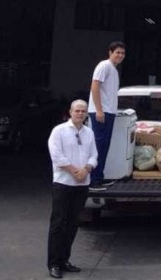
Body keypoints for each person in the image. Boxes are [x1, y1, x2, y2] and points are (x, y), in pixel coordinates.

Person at [46, 100, 98, 279]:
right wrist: (75, 171)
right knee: (58, 224)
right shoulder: (59, 131)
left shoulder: (89, 132)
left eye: (83, 111)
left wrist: (87, 169)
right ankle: (54, 263)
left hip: (82, 185)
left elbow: (94, 155)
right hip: (63, 184)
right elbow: (57, 156)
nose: (80, 114)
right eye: (77, 111)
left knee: (73, 224)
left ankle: (64, 260)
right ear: (70, 112)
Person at [88, 41, 125, 191]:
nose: (120, 56)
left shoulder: (114, 70)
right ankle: (93, 180)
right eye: (117, 52)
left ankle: (99, 177)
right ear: (110, 52)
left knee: (104, 146)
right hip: (101, 112)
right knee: (99, 146)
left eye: (122, 53)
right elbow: (95, 86)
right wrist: (99, 110)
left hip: (109, 112)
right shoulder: (104, 66)